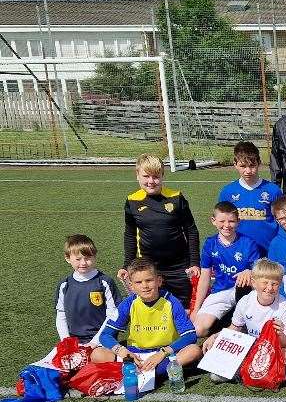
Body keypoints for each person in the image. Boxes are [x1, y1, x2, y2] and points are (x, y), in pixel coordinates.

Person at [92, 258, 201, 378]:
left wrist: (163, 353)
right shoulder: (128, 303)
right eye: (138, 282)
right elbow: (105, 335)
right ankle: (157, 371)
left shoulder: (171, 301)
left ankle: (139, 371)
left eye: (149, 280)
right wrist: (123, 352)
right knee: (97, 354)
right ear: (131, 286)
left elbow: (190, 335)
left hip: (165, 353)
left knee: (194, 350)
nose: (145, 286)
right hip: (135, 354)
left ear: (158, 281)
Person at [120, 153, 200, 308]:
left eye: (156, 176)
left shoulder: (176, 198)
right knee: (153, 307)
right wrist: (127, 265)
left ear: (162, 176)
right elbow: (130, 234)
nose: (151, 181)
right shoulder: (132, 201)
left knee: (184, 309)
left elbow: (191, 230)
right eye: (146, 176)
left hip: (180, 267)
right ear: (137, 175)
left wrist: (194, 262)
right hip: (149, 267)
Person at [201, 258, 286, 382]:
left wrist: (279, 334)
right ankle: (253, 370)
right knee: (215, 370)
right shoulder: (245, 301)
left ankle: (243, 370)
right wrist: (215, 336)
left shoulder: (284, 306)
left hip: (271, 349)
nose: (269, 288)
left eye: (274, 284)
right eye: (265, 283)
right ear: (254, 283)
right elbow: (234, 328)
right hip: (250, 345)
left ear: (280, 284)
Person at [190, 202, 261, 337]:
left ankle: (244, 321)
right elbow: (205, 277)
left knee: (245, 281)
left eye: (231, 221)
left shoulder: (248, 243)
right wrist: (196, 308)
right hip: (221, 290)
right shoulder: (210, 243)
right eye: (222, 221)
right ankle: (227, 319)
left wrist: (250, 271)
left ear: (238, 221)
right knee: (199, 330)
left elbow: (259, 273)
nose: (227, 225)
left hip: (244, 291)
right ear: (213, 221)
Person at [219, 141, 284, 253]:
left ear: (259, 163)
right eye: (243, 166)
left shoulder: (273, 190)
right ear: (235, 164)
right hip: (238, 253)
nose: (248, 171)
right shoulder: (227, 192)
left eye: (252, 165)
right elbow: (222, 224)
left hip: (269, 252)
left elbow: (282, 222)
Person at [56, 234, 119, 346]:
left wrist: (95, 342)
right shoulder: (64, 285)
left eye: (88, 258)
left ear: (94, 256)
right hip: (73, 341)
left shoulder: (104, 282)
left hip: (102, 340)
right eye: (78, 259)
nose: (83, 263)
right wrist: (67, 341)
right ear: (67, 258)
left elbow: (113, 315)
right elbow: (61, 315)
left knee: (99, 359)